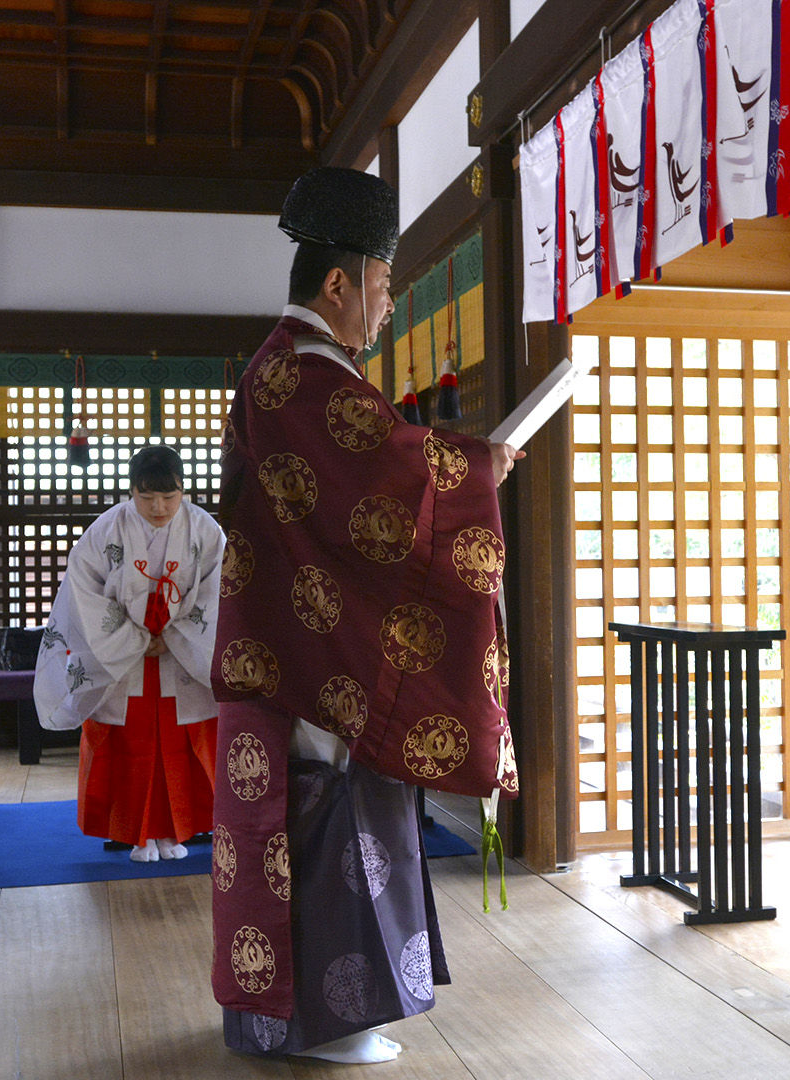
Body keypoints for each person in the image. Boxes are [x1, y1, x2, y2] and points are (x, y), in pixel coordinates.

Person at [209, 167, 523, 1064]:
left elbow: (365, 486)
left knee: (313, 819)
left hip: (292, 643)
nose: (387, 309)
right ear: (339, 283)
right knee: (327, 817)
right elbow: (378, 486)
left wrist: (458, 467)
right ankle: (328, 1021)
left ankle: (297, 1017)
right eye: (383, 288)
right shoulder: (302, 375)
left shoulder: (293, 371)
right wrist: (474, 470)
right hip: (307, 662)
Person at [34, 446, 225, 862]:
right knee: (128, 743)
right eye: (146, 497)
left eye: (169, 497)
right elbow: (84, 591)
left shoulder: (206, 532)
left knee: (182, 741)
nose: (158, 507)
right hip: (122, 660)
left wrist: (172, 633)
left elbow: (216, 593)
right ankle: (134, 833)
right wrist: (133, 636)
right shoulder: (106, 530)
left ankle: (179, 831)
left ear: (184, 490)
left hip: (182, 658)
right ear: (130, 492)